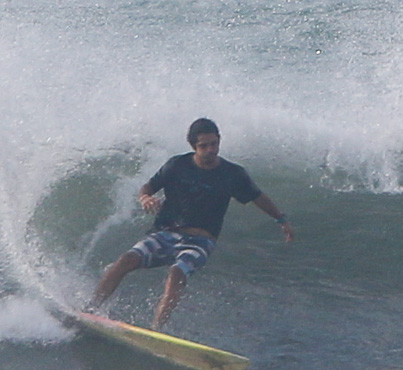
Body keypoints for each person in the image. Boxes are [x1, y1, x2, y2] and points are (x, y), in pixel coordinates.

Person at [89, 118, 294, 329]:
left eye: (214, 144)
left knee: (177, 273)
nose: (210, 150)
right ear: (193, 146)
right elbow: (147, 187)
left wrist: (281, 219)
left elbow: (257, 197)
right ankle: (90, 310)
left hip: (200, 241)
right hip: (165, 233)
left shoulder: (233, 174)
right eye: (203, 146)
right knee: (125, 260)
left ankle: (157, 329)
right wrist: (145, 198)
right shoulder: (177, 165)